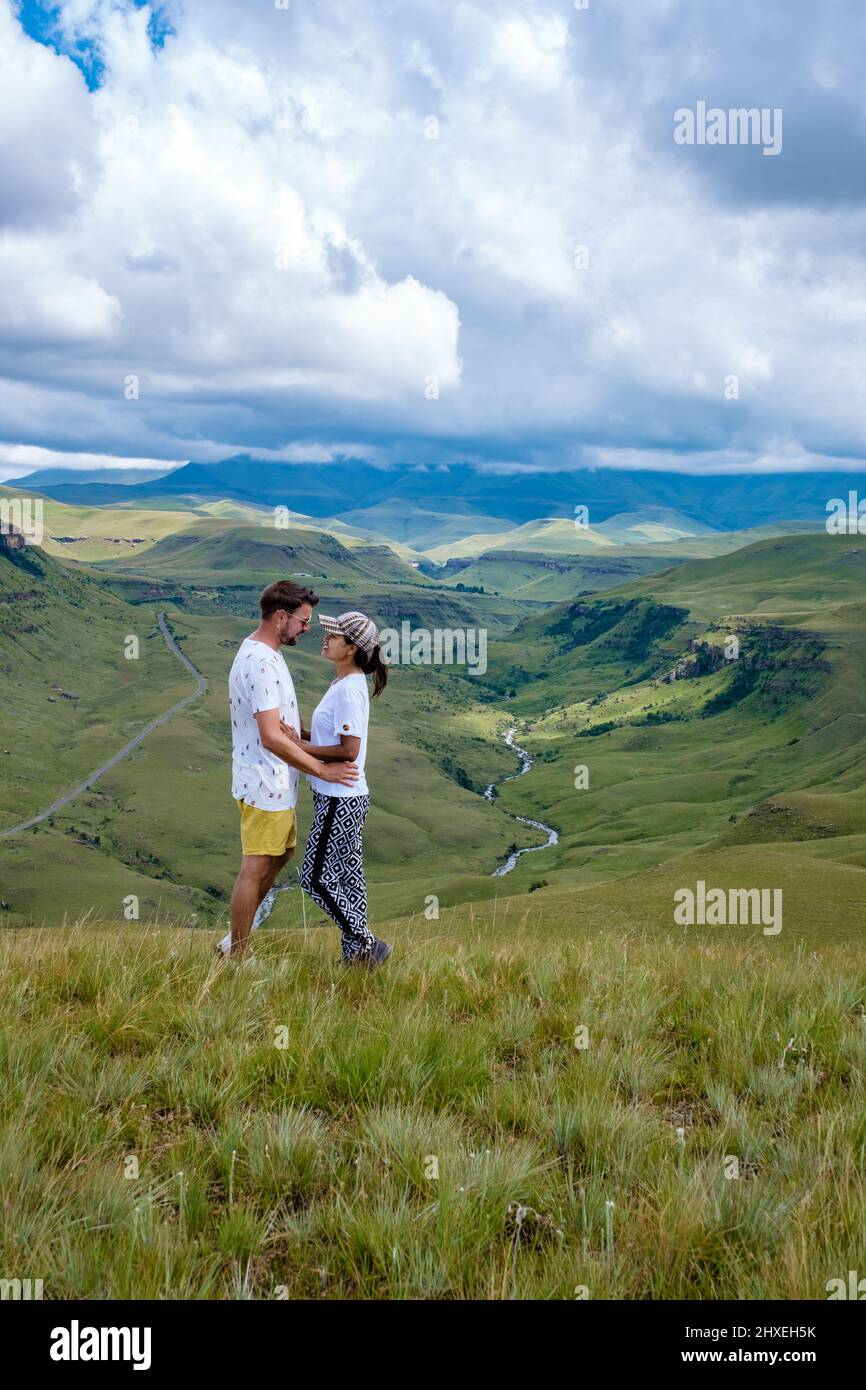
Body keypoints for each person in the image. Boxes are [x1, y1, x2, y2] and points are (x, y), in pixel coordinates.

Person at [220, 581, 359, 959]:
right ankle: (237, 953)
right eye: (303, 620)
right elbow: (270, 736)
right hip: (265, 781)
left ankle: (234, 942)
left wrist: (309, 740)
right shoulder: (262, 663)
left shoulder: (268, 652)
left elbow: (284, 728)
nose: (308, 628)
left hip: (276, 781)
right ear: (281, 616)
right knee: (256, 866)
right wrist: (322, 769)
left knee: (279, 855)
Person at [294, 610, 391, 967]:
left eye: (333, 636)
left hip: (341, 798)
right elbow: (331, 737)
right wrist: (301, 736)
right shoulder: (342, 683)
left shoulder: (350, 689)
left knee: (316, 876)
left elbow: (349, 750)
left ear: (350, 648)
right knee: (348, 877)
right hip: (340, 797)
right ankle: (357, 958)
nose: (325, 639)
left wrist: (300, 749)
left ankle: (368, 943)